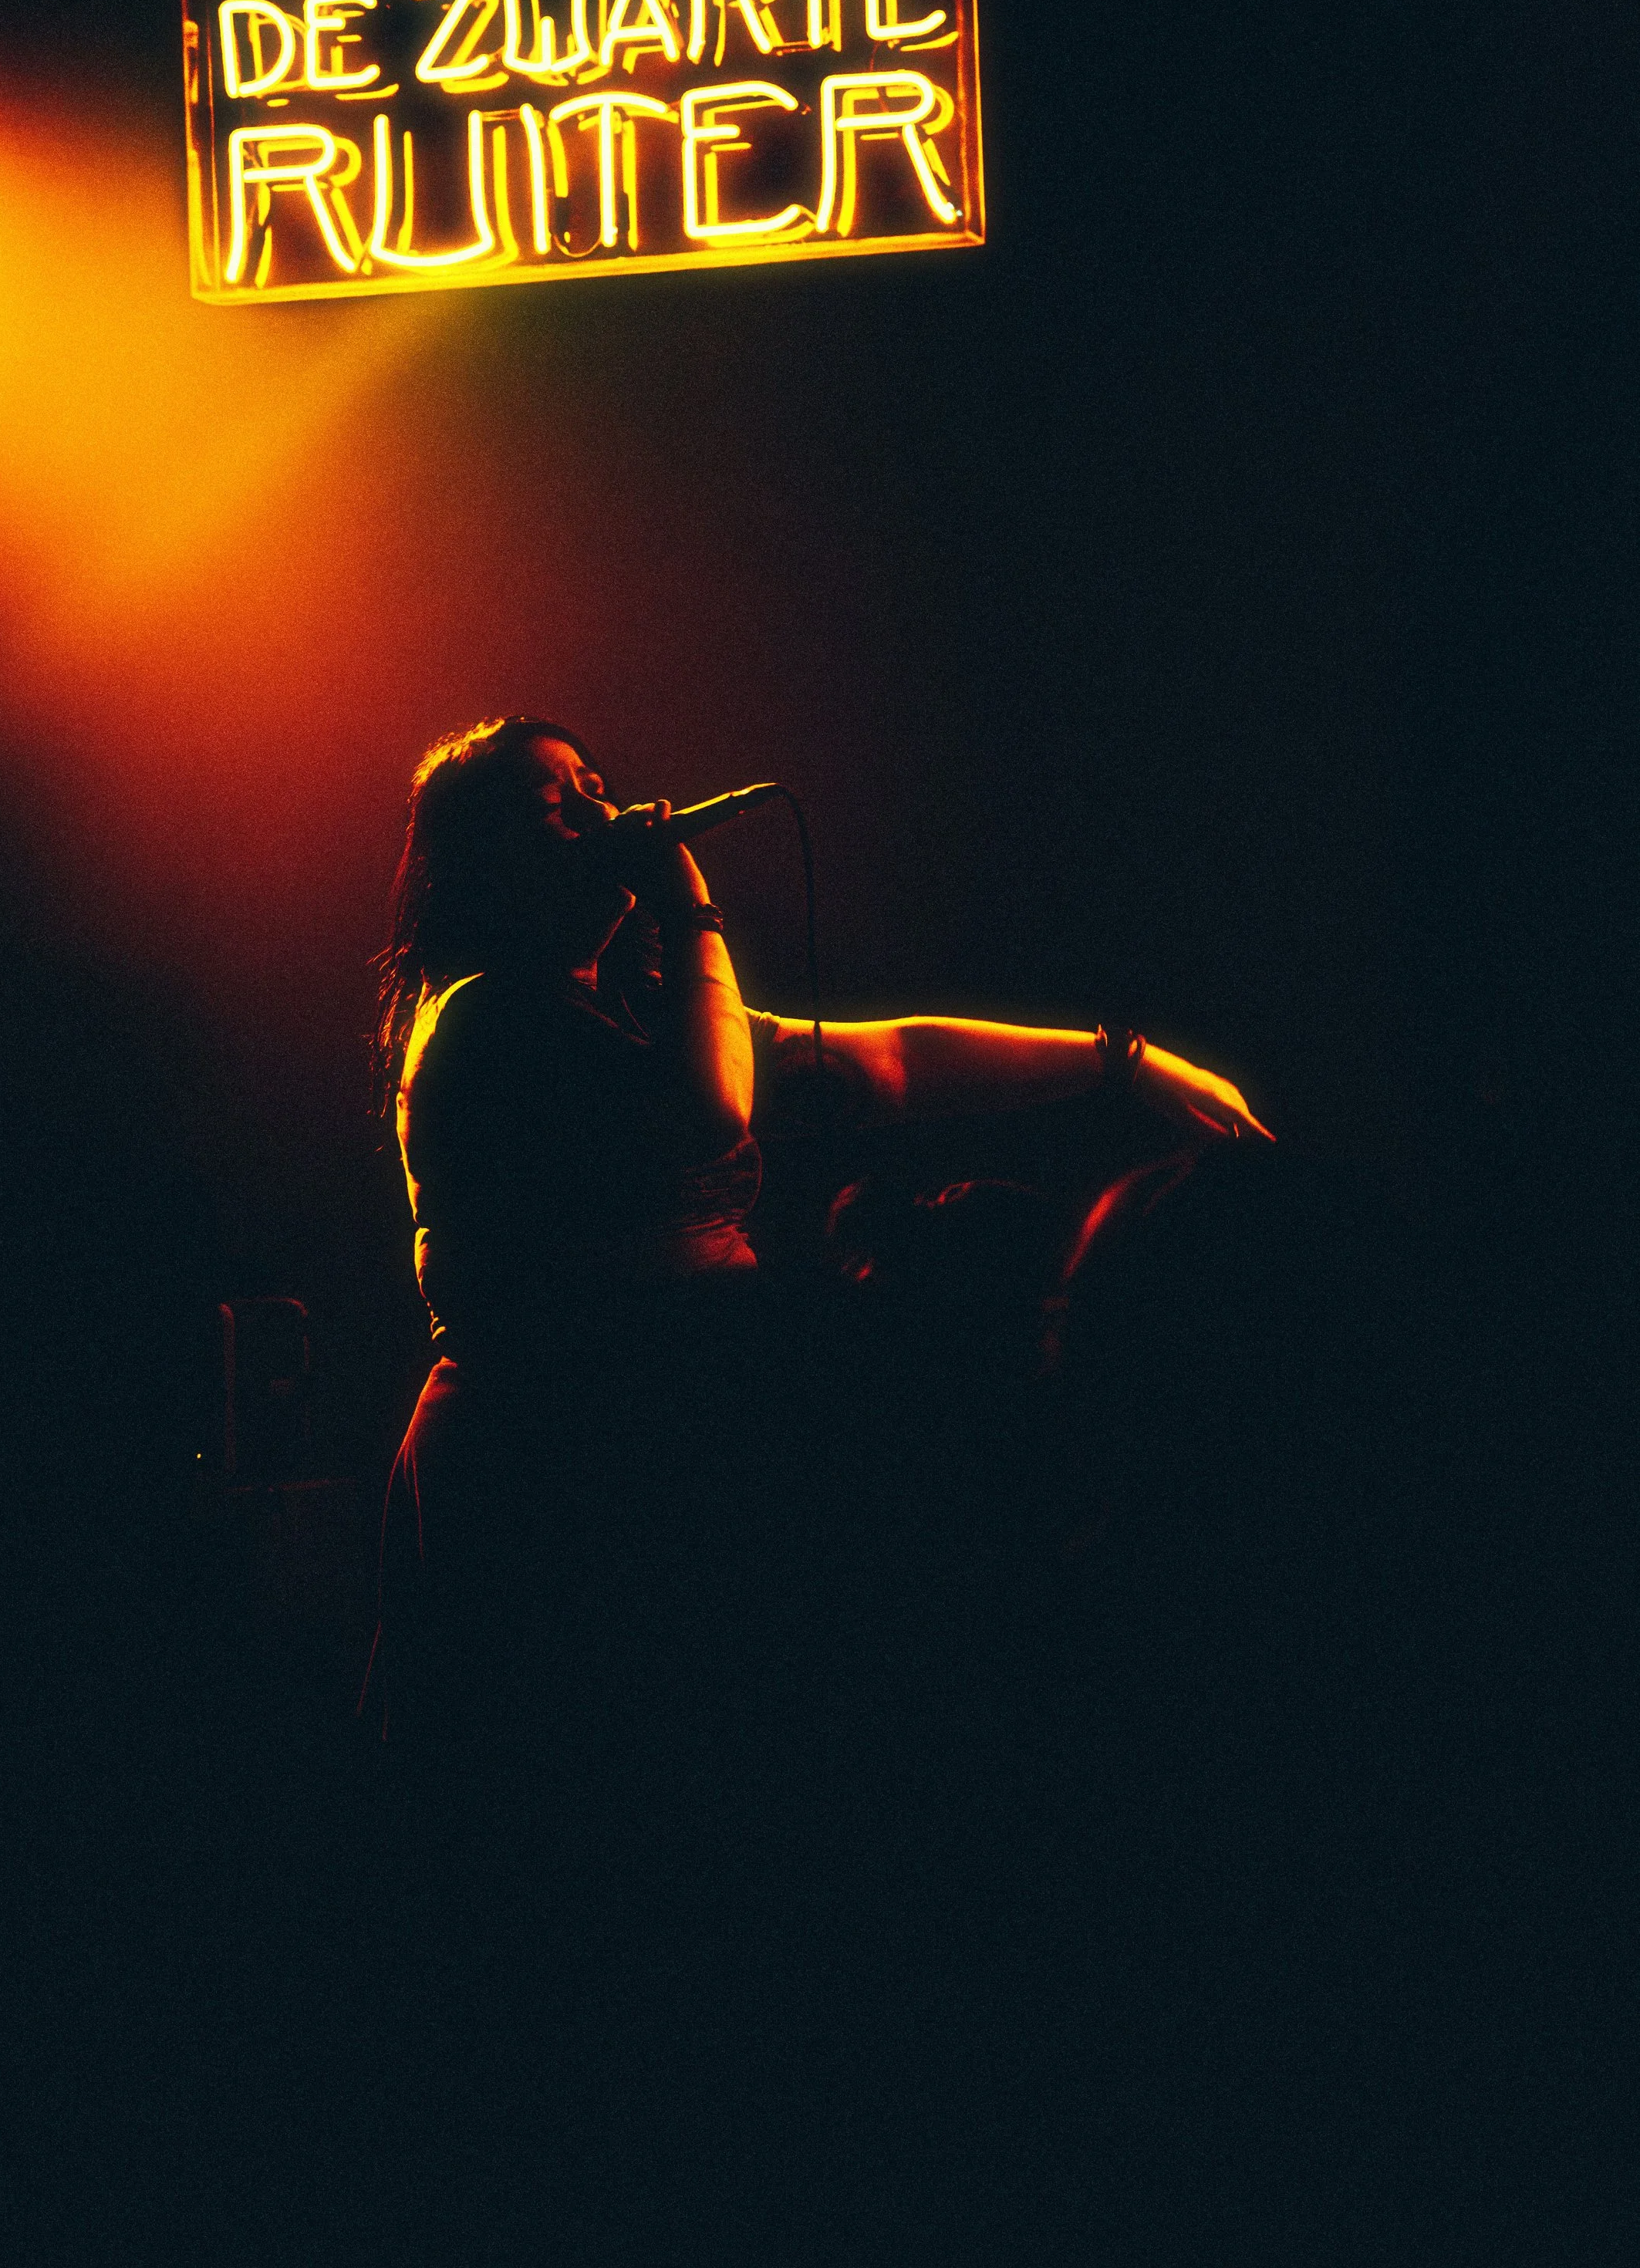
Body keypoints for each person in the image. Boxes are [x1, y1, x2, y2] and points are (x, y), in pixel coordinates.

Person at [362, 716, 1268, 1763]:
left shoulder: (627, 1010)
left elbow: (886, 1065)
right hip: (562, 1486)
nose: (603, 816)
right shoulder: (482, 1021)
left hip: (678, 1455)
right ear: (485, 864)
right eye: (554, 807)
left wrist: (1127, 1063)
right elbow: (714, 1112)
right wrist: (688, 902)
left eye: (598, 786)